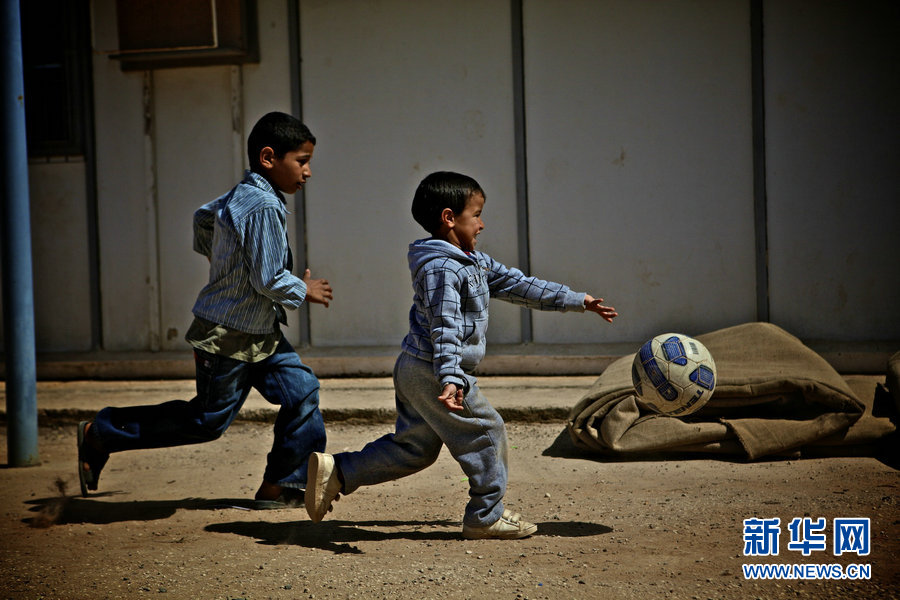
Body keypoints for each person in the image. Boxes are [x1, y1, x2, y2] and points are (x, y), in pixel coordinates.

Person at [305, 171, 618, 539]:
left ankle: (340, 472)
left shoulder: (472, 261)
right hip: (436, 371)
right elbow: (445, 324)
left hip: (419, 367)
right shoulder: (442, 268)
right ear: (449, 217)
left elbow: (519, 285)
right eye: (477, 214)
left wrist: (576, 300)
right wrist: (452, 377)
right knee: (487, 430)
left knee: (414, 449)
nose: (483, 224)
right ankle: (485, 515)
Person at [77, 112, 333, 503]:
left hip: (261, 331)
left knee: (302, 393)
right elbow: (267, 279)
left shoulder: (246, 191)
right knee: (206, 422)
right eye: (301, 160)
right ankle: (101, 432)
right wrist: (304, 288)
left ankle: (280, 484)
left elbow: (203, 219)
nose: (308, 171)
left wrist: (224, 261)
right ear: (269, 158)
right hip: (227, 335)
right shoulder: (262, 205)